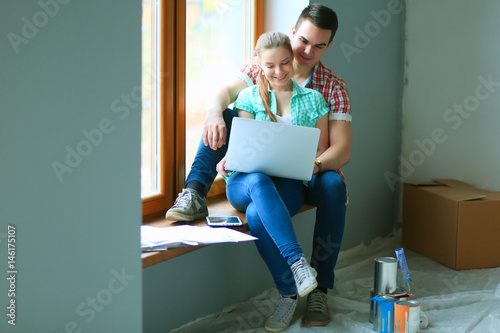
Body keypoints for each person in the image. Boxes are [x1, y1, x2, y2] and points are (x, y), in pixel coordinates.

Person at [166, 3, 351, 329]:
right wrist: (216, 121)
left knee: (335, 185)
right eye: (304, 40)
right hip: (256, 176)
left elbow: (341, 149)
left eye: (319, 45)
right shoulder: (261, 70)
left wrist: (314, 164)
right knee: (225, 119)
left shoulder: (329, 89)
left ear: (329, 45)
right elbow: (227, 100)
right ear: (294, 33)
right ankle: (195, 191)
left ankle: (319, 288)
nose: (308, 51)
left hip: (306, 174)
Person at [216, 31, 329, 331]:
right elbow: (244, 149)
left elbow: (320, 150)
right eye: (270, 66)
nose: (278, 72)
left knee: (256, 215)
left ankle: (288, 295)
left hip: (289, 183)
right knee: (258, 182)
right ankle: (297, 263)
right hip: (245, 182)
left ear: (292, 60)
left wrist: (308, 160)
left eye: (284, 63)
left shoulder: (313, 100)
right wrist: (230, 157)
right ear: (259, 65)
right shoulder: (249, 97)